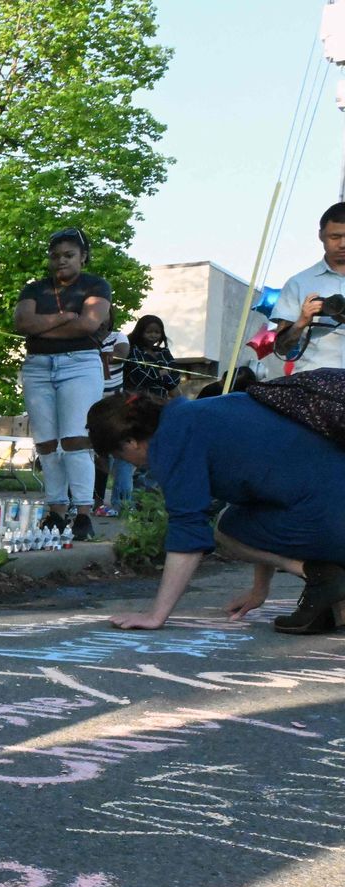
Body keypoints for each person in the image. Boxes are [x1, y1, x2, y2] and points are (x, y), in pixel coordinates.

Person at [89, 392, 345, 634]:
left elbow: (188, 530)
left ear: (130, 442)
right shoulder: (200, 412)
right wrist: (259, 590)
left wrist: (156, 615)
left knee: (225, 528)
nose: (127, 463)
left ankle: (320, 575)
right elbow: (261, 505)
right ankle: (332, 594)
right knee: (235, 519)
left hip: (332, 513)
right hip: (330, 499)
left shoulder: (172, 440)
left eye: (118, 456)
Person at [13, 226, 111, 540]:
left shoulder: (96, 285)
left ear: (83, 256)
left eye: (68, 255)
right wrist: (64, 318)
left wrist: (43, 329)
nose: (60, 262)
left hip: (80, 365)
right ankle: (55, 509)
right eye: (54, 256)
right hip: (38, 366)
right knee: (45, 441)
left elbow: (89, 324)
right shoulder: (34, 289)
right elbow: (22, 323)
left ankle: (83, 512)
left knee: (75, 439)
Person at [269, 202, 345, 374]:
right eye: (335, 237)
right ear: (321, 235)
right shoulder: (299, 283)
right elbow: (281, 349)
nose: (342, 244)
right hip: (315, 382)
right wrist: (302, 321)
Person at [91, 324, 133, 516]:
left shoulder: (118, 337)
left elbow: (121, 355)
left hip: (114, 404)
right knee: (96, 453)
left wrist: (101, 355)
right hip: (89, 400)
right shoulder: (84, 335)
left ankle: (121, 503)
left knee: (119, 452)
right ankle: (93, 499)